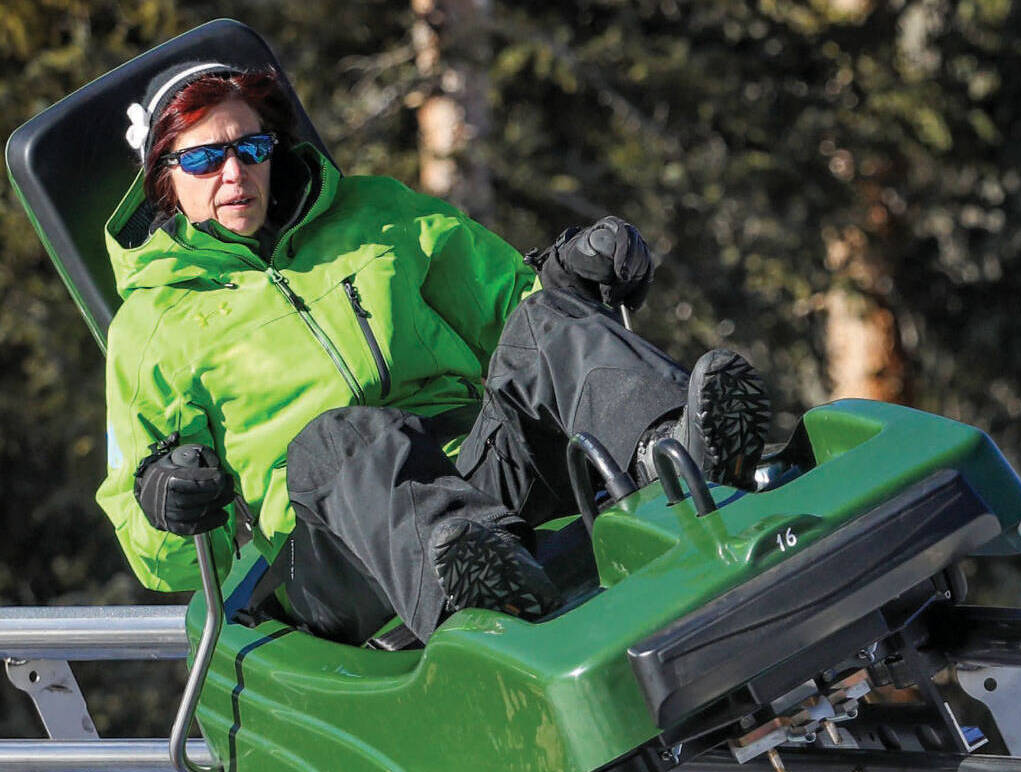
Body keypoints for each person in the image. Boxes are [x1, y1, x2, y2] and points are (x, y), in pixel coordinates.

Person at [97, 62, 770, 645]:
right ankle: (474, 583)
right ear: (166, 179)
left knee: (545, 323)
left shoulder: (376, 214)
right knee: (339, 436)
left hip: (476, 478)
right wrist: (167, 503)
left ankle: (679, 453)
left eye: (251, 147)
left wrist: (572, 277)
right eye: (204, 159)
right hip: (337, 548)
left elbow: (514, 310)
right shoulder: (151, 325)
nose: (235, 172)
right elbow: (160, 559)